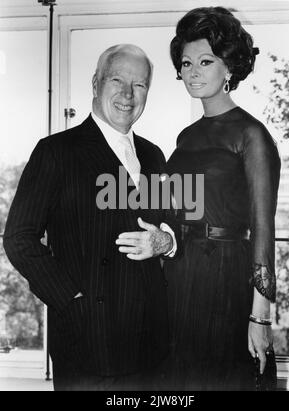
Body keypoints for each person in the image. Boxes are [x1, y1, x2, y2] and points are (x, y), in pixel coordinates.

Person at [3, 44, 180, 391]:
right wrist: (71, 300)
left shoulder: (153, 154)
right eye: (117, 80)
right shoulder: (56, 152)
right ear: (96, 83)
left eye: (140, 84)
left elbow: (169, 223)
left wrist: (167, 241)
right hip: (88, 342)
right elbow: (19, 238)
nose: (128, 94)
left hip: (152, 345)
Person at [164, 7, 281, 390]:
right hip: (180, 274)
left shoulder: (252, 135)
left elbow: (264, 230)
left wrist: (260, 318)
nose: (192, 71)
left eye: (205, 61)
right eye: (186, 63)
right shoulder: (185, 137)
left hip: (227, 276)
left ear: (228, 67)